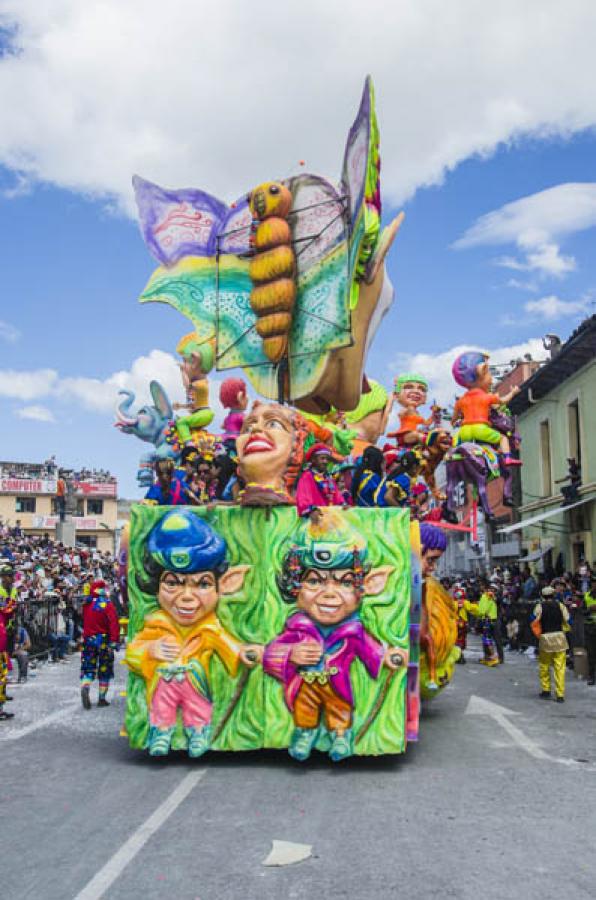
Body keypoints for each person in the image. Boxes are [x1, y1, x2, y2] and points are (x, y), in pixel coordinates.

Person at [263, 513, 405, 762]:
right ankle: (305, 734)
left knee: (340, 709)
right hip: (305, 682)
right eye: (315, 581)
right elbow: (271, 654)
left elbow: (372, 650)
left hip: (337, 685)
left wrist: (388, 657)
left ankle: (341, 736)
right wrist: (291, 655)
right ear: (295, 585)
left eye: (345, 583)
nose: (329, 594)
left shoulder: (354, 631)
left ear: (367, 586)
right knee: (304, 709)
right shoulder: (296, 627)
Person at [126, 510, 260, 757]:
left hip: (195, 682)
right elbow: (133, 653)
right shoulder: (155, 625)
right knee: (161, 707)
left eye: (203, 584)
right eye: (173, 583)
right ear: (155, 587)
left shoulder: (210, 628)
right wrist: (151, 650)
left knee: (198, 707)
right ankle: (161, 734)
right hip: (164, 680)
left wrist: (243, 653)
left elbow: (227, 646)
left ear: (226, 584)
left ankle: (198, 735)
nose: (187, 597)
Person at [451, 351, 521, 465]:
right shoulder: (487, 397)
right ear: (483, 372)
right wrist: (513, 393)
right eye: (489, 374)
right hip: (480, 429)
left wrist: (455, 422)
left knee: (457, 444)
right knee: (503, 438)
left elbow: (454, 420)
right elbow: (503, 401)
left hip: (464, 432)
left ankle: (452, 456)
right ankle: (507, 458)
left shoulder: (461, 401)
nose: (491, 379)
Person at [80, 579, 120, 709]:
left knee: (88, 667)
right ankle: (102, 699)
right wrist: (114, 640)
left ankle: (85, 686)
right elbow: (113, 623)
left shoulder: (87, 604)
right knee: (104, 669)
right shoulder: (107, 604)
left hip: (88, 640)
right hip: (104, 641)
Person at [532, 585, 570, 702]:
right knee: (560, 667)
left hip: (545, 638)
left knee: (544, 665)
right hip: (559, 638)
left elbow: (533, 619)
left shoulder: (539, 607)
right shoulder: (561, 606)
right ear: (553, 595)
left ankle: (546, 690)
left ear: (543, 596)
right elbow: (568, 619)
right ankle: (560, 695)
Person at [295, 443, 344, 518]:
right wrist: (311, 510)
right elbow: (303, 498)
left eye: (327, 459)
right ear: (313, 460)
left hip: (330, 519)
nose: (325, 461)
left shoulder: (329, 478)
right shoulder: (307, 476)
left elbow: (337, 496)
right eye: (322, 458)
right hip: (314, 519)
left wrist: (343, 505)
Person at [0, 565, 17, 720]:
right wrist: (11, 607)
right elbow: (6, 609)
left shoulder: (13, 589)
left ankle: (2, 699)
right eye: (9, 576)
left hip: (7, 630)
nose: (12, 578)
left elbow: (10, 609)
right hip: (1, 634)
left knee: (3, 673)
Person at [584, 577, 596, 686]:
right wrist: (589, 609)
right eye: (593, 583)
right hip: (590, 628)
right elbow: (581, 611)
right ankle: (591, 676)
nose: (594, 585)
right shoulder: (587, 596)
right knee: (591, 654)